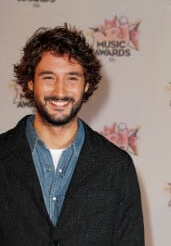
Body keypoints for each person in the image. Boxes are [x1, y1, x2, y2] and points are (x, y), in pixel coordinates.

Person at [0, 24, 144, 245]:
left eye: (72, 78)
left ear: (86, 85)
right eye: (49, 78)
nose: (60, 91)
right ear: (30, 82)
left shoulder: (116, 166)